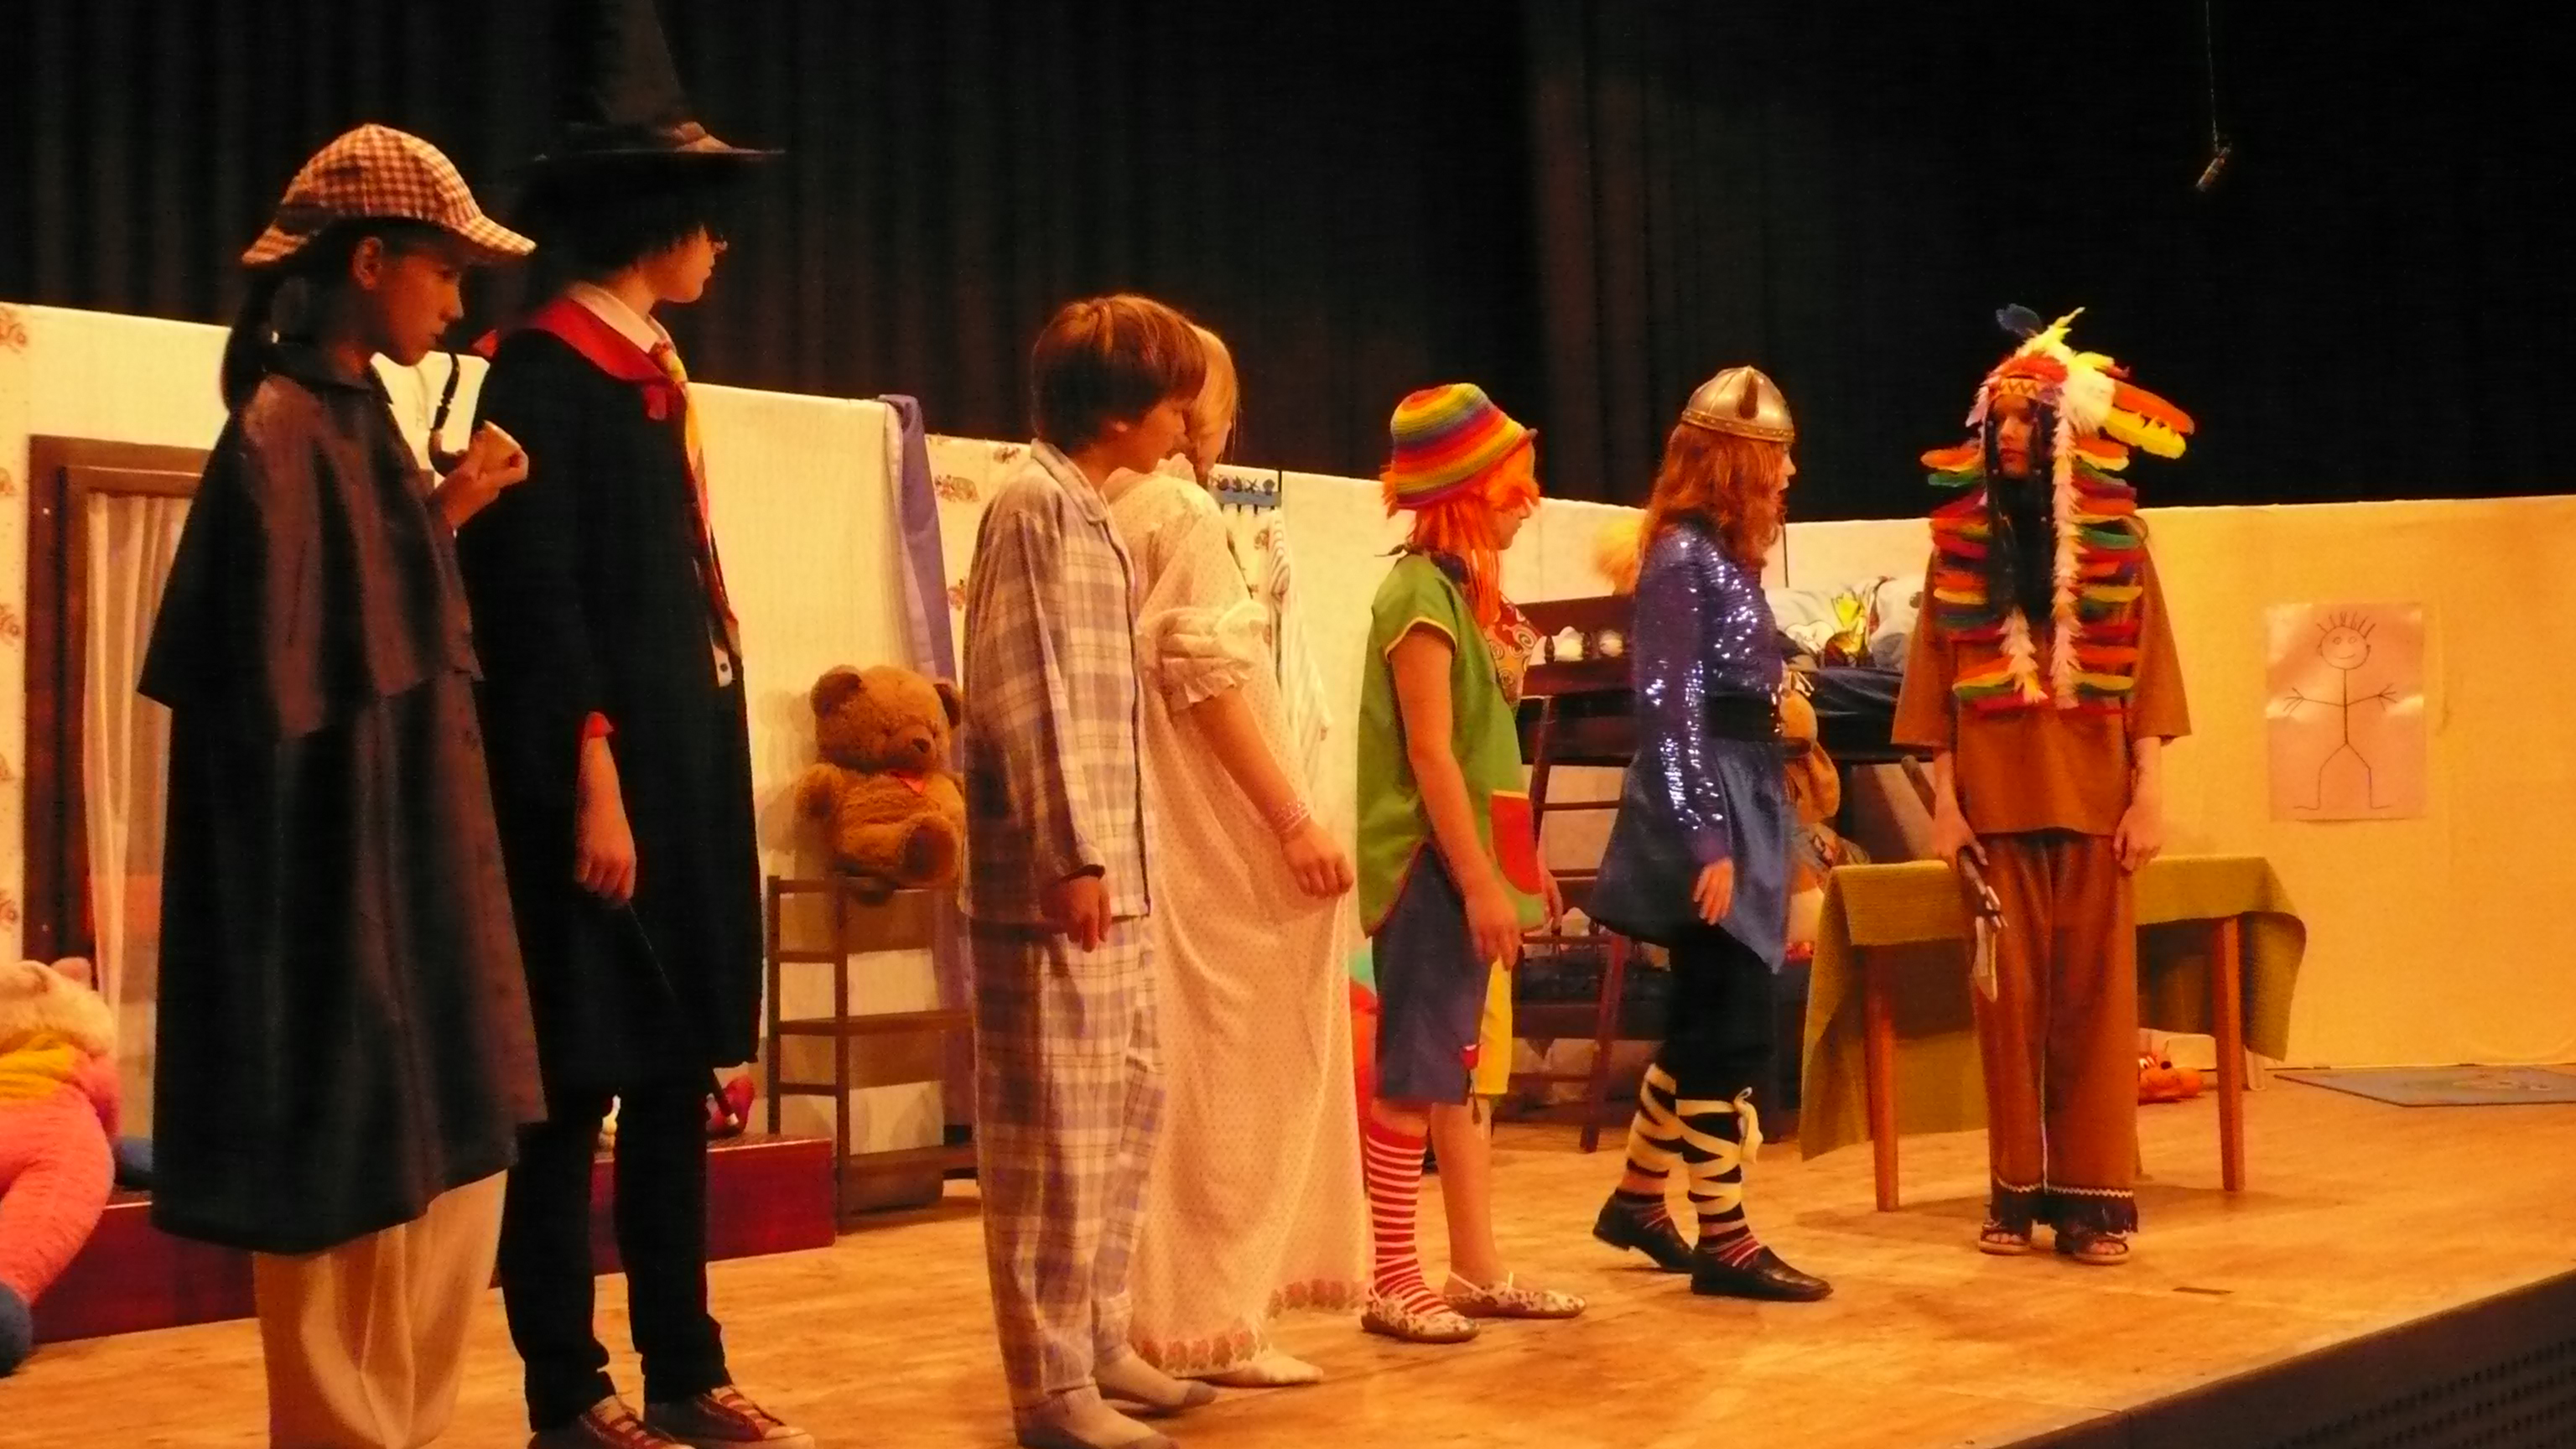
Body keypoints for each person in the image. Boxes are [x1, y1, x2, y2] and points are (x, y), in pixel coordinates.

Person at [140, 122, 544, 1449]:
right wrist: (340, 930)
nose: (456, 302)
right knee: (348, 1176)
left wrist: (453, 505)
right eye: (443, 270)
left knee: (449, 1168)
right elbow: (278, 702)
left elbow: (362, 627)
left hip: (408, 877)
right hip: (340, 905)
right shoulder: (281, 433)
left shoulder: (354, 422)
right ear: (370, 262)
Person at [454, 3, 808, 1443]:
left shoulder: (652, 366)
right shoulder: (544, 371)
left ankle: (684, 1363)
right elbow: (534, 600)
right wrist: (591, 768)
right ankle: (569, 1385)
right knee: (571, 1087)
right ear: (650, 216)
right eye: (703, 215)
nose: (719, 242)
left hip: (682, 757)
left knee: (673, 1073)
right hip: (595, 775)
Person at [961, 295, 1217, 1449]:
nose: (1182, 422)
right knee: (1052, 1139)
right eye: (1170, 401)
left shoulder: (1088, 508)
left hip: (1117, 877)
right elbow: (1025, 687)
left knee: (1122, 1115)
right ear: (1117, 409)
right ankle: (1051, 1384)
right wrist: (1069, 853)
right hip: (1062, 883)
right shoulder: (1031, 504)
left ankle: (1101, 1337)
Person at [1891, 306, 2195, 1266]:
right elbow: (1935, 687)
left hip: (2098, 809)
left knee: (2095, 1016)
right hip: (1993, 815)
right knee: (2006, 1014)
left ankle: (2093, 1205)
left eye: (2032, 418)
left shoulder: (2121, 543)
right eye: (2003, 418)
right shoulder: (1956, 550)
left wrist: (2148, 794)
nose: (2014, 433)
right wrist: (1946, 807)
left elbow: (2149, 675)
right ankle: (2015, 1195)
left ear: (2067, 434)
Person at [1109, 326, 1368, 1389]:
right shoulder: (1177, 512)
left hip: (1163, 824)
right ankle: (1208, 1312)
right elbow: (1209, 682)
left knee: (1185, 1067)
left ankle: (1165, 1311)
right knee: (1232, 1063)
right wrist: (1293, 818)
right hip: (1211, 835)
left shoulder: (1111, 508)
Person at [1586, 366, 1833, 1302]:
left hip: (1744, 790)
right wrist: (1707, 840)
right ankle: (1725, 1238)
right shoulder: (1683, 559)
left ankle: (1639, 1202)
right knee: (1728, 1029)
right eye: (1778, 458)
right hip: (1712, 802)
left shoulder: (1721, 559)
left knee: (1702, 1022)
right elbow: (1669, 709)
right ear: (1737, 463)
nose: (1791, 474)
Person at [1353, 384, 1583, 1346]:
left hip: (1464, 867)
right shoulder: (1417, 594)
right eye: (1512, 485)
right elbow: (1431, 754)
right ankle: (1392, 1279)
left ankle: (1471, 1271)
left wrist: (1520, 867)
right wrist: (1483, 880)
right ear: (1464, 491)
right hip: (1428, 871)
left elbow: (1487, 755)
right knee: (1413, 1074)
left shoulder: (1459, 594)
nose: (1528, 503)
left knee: (1451, 1069)